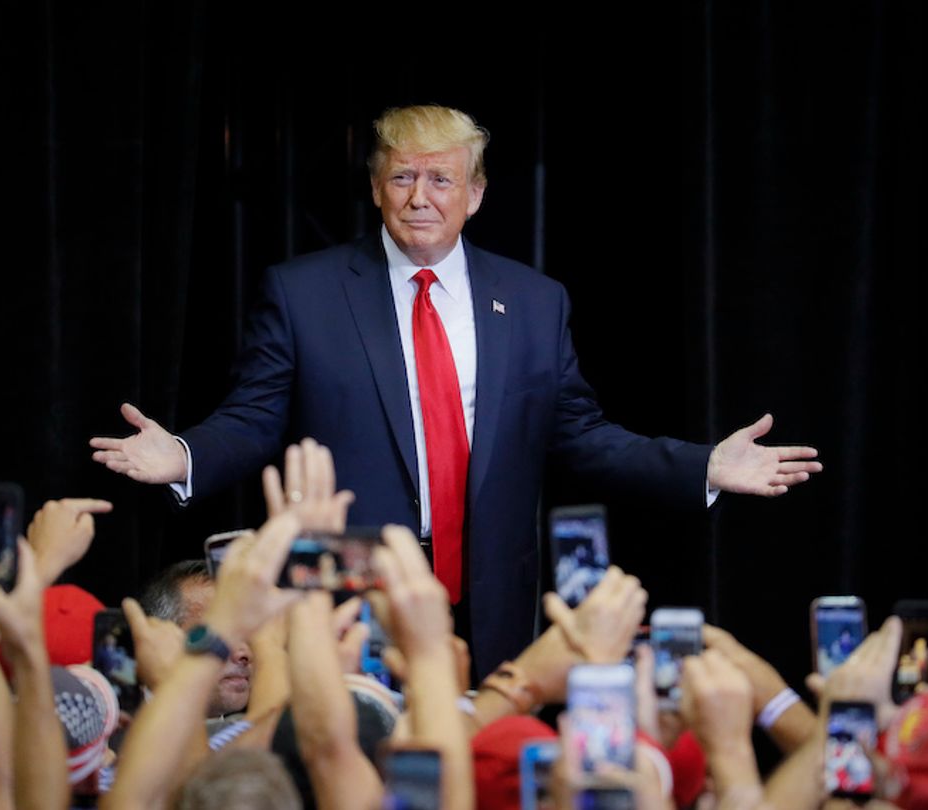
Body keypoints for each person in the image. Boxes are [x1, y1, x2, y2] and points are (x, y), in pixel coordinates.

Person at [90, 104, 822, 674]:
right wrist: (184, 455)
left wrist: (704, 466)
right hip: (352, 595)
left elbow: (583, 436)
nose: (420, 197)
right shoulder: (304, 293)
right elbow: (252, 420)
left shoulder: (536, 301)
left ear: (474, 193)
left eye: (441, 179)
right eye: (403, 176)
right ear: (376, 187)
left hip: (491, 594)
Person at [138, 560, 252, 728]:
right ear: (157, 639)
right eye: (218, 634)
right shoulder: (108, 740)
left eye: (247, 633)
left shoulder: (244, 740)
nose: (244, 654)